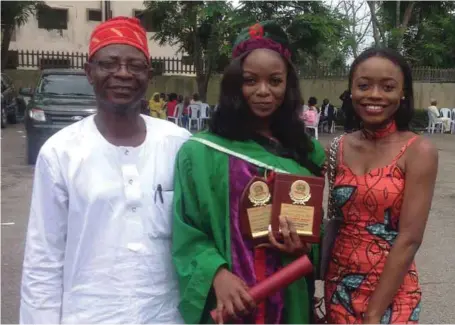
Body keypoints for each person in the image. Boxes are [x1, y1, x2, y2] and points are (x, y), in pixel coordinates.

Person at [19, 16, 190, 324]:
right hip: (89, 315)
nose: (122, 73)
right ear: (89, 72)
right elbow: (44, 259)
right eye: (109, 63)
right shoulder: (61, 152)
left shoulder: (178, 144)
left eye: (135, 65)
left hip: (167, 315)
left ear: (148, 75)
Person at [172, 21, 326, 324]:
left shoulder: (307, 152)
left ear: (288, 86)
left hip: (288, 296)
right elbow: (186, 229)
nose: (263, 91)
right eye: (250, 81)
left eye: (275, 81)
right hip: (230, 300)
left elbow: (317, 230)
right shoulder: (200, 152)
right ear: (233, 85)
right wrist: (216, 274)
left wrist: (304, 247)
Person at [324, 48, 438, 324]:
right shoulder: (338, 147)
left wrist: (374, 312)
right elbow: (334, 219)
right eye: (364, 85)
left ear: (402, 94)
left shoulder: (418, 150)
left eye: (387, 87)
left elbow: (410, 238)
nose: (374, 95)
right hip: (339, 286)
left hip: (391, 292)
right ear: (351, 91)